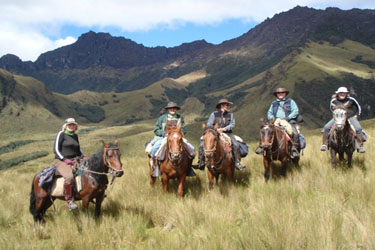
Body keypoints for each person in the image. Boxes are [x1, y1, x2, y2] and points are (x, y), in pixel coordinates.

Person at [195, 98, 246, 171]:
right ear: (222, 106)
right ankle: (201, 162)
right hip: (214, 133)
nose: (228, 106)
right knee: (201, 145)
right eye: (227, 105)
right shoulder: (214, 114)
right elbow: (209, 124)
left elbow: (232, 124)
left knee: (235, 145)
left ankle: (237, 163)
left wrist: (224, 129)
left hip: (228, 133)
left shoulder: (230, 115)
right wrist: (216, 130)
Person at [150, 102, 196, 175]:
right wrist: (164, 133)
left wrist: (179, 134)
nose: (172, 109)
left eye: (174, 108)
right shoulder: (162, 118)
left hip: (177, 137)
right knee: (154, 149)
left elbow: (184, 129)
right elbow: (156, 129)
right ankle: (156, 168)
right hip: (164, 137)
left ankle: (189, 169)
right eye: (170, 108)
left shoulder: (180, 118)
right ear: (168, 109)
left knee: (192, 149)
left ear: (176, 109)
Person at [255, 87, 300, 158]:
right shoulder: (274, 103)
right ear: (276, 95)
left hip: (288, 121)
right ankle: (261, 147)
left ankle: (294, 149)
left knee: (294, 132)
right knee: (266, 131)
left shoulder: (290, 101)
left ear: (285, 94)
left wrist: (288, 118)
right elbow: (270, 112)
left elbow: (295, 111)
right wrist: (272, 119)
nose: (280, 94)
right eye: (279, 93)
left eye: (282, 93)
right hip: (276, 122)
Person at [320, 87, 365, 153]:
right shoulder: (333, 101)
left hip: (350, 117)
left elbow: (358, 107)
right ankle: (325, 144)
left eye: (344, 93)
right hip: (338, 118)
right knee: (326, 127)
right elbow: (332, 109)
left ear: (346, 93)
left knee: (358, 128)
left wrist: (357, 115)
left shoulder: (351, 100)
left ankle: (360, 146)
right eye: (340, 93)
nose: (342, 94)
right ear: (337, 94)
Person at [53, 118, 84, 210]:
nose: (71, 126)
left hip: (75, 160)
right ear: (65, 126)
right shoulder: (61, 134)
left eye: (73, 125)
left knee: (88, 171)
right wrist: (64, 159)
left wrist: (83, 157)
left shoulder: (75, 136)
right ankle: (69, 200)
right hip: (61, 161)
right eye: (69, 125)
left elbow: (78, 150)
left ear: (76, 126)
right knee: (69, 177)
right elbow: (56, 149)